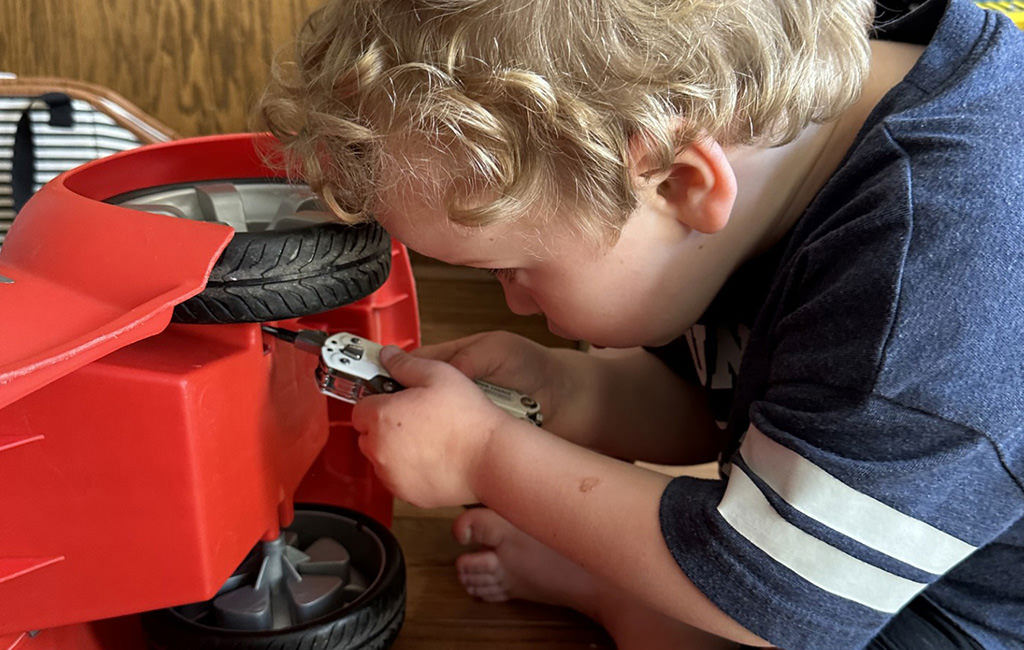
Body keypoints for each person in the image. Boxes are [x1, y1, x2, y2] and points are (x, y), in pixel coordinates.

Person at [258, 0, 1024, 647]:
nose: (515, 300)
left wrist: (487, 456)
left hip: (957, 606)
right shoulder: (769, 165)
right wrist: (565, 388)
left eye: (510, 267)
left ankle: (628, 597)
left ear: (682, 183)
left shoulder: (930, 290)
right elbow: (710, 398)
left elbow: (777, 595)